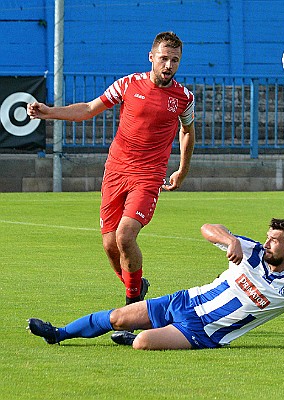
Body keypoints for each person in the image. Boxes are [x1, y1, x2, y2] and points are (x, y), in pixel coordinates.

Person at [27, 219, 284, 352]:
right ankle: (58, 333)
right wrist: (229, 239)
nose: (268, 242)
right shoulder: (251, 251)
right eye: (268, 237)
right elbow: (205, 227)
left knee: (142, 343)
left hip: (202, 331)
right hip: (185, 300)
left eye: (275, 240)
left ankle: (142, 334)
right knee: (119, 317)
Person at [27, 32, 195, 305]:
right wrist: (49, 111)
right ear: (151, 57)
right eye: (163, 58)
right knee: (109, 245)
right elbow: (89, 109)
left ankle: (133, 308)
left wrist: (182, 169)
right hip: (116, 170)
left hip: (149, 175)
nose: (168, 66)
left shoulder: (184, 98)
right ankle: (137, 287)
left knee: (125, 235)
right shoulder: (127, 84)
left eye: (174, 60)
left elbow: (187, 131)